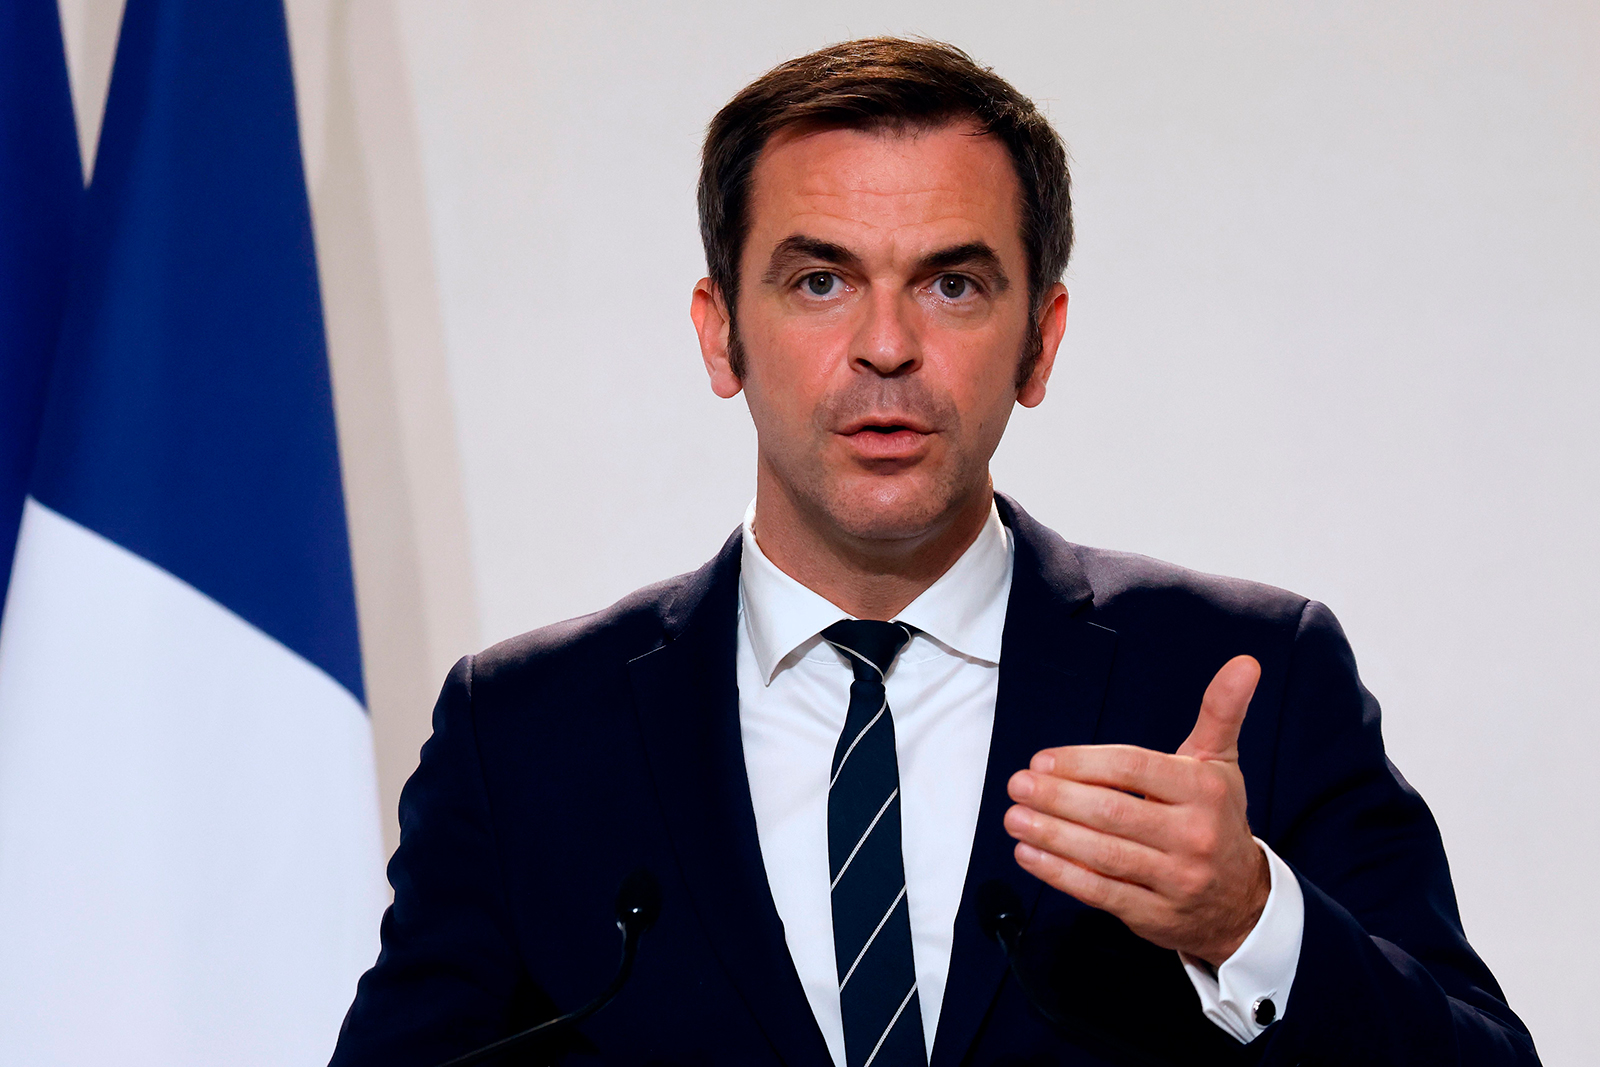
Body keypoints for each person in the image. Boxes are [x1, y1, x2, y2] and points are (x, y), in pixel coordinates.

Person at [329, 38, 1538, 1067]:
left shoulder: (1244, 678)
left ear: (1039, 341)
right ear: (720, 334)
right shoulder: (529, 730)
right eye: (818, 280)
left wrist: (1249, 918)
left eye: (953, 285)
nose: (887, 346)